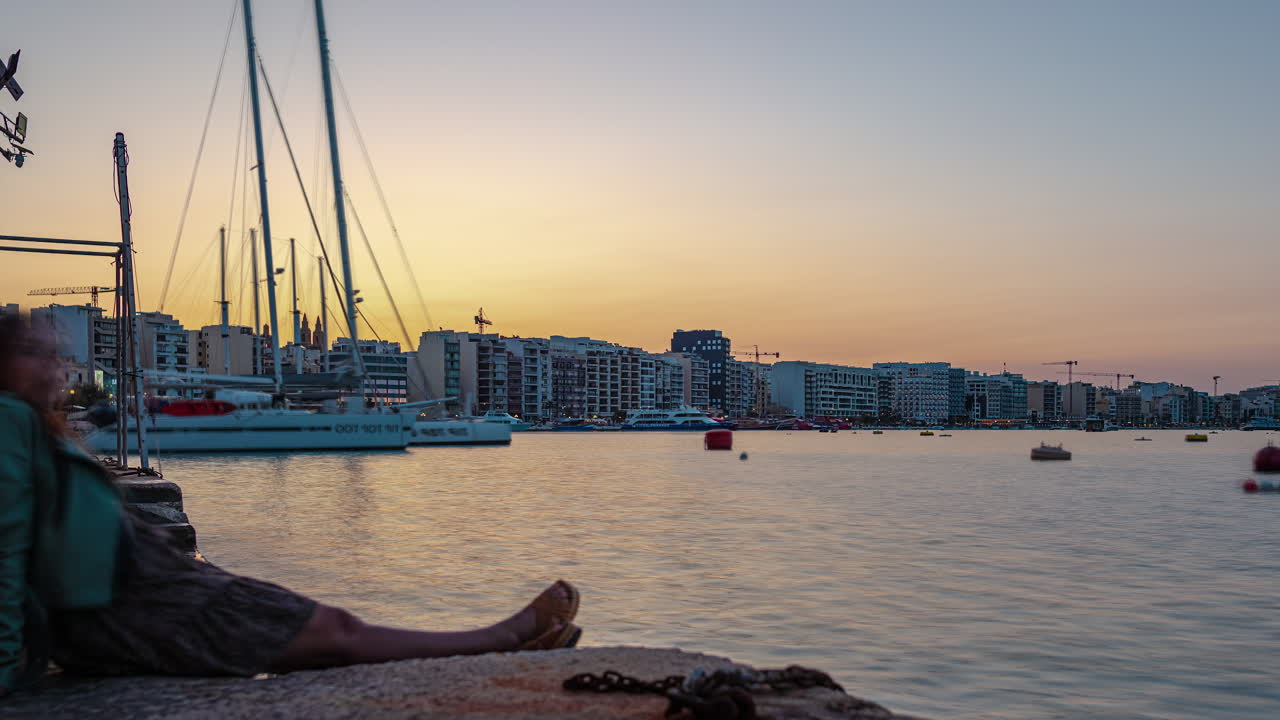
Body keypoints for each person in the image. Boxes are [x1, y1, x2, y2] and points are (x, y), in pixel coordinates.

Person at [0, 313, 580, 695]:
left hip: (147, 579)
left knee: (318, 635)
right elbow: (7, 544)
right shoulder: (9, 421)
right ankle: (502, 639)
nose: (54, 367)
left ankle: (498, 640)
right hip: (138, 600)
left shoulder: (27, 422)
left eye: (54, 353)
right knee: (334, 630)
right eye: (34, 353)